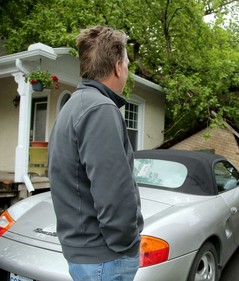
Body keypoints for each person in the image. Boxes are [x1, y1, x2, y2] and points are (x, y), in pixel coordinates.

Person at [48, 25, 144, 281]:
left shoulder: (74, 107)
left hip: (89, 255)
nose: (126, 69)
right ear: (117, 67)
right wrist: (128, 243)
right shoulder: (100, 109)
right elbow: (113, 193)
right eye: (126, 63)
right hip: (106, 259)